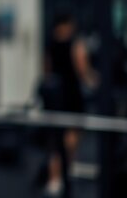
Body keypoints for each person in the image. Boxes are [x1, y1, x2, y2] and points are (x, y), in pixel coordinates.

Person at [42, 13, 95, 197]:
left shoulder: (50, 44)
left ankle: (56, 178)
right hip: (71, 96)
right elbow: (83, 71)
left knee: (57, 140)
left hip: (56, 97)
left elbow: (47, 71)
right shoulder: (75, 44)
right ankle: (59, 176)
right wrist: (96, 82)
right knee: (69, 138)